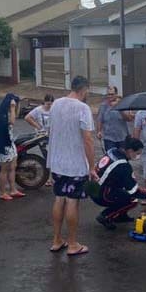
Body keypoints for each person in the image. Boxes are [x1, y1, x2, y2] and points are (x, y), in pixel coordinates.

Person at [47, 75, 97, 257]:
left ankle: (56, 239)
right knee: (72, 201)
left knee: (59, 198)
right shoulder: (83, 108)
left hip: (57, 162)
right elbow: (88, 140)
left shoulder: (56, 104)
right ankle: (73, 243)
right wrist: (92, 167)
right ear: (84, 89)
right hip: (75, 164)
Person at [91, 137, 146, 230]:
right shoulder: (123, 165)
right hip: (100, 194)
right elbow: (134, 191)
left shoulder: (113, 150)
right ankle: (105, 216)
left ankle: (120, 216)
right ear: (130, 151)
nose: (138, 156)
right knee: (133, 199)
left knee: (122, 189)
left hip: (91, 187)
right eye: (137, 153)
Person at [0, 93, 24, 201]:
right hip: (2, 145)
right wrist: (12, 107)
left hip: (10, 143)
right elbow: (12, 122)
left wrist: (17, 105)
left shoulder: (8, 112)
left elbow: (17, 115)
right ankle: (2, 192)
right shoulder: (2, 114)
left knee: (13, 167)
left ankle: (13, 189)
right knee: (4, 169)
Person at [96, 87, 132, 152]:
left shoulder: (123, 104)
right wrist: (99, 131)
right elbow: (100, 119)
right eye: (108, 94)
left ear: (116, 94)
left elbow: (129, 118)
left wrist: (119, 108)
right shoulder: (103, 106)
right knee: (111, 158)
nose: (110, 96)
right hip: (109, 138)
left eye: (112, 94)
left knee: (122, 158)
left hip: (122, 138)